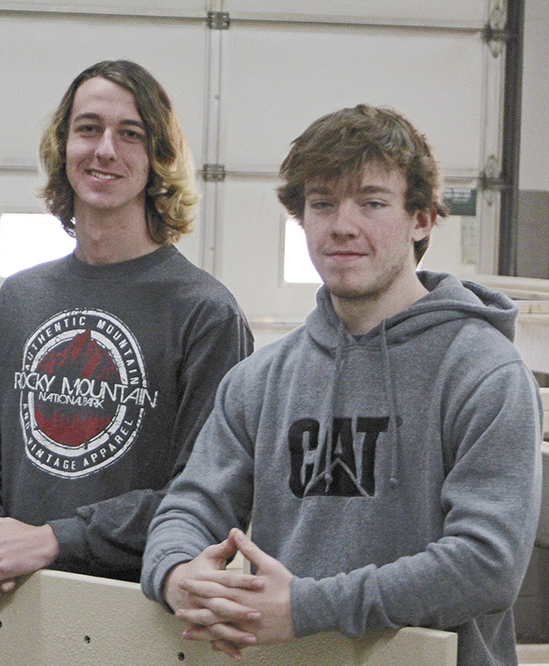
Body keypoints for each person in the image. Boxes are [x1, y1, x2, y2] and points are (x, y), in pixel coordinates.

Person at [141, 104, 543, 665]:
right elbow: (188, 507)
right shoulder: (258, 381)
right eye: (322, 203)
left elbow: (485, 565)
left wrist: (307, 607)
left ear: (423, 219)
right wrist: (176, 571)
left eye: (372, 203)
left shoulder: (484, 373)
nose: (341, 225)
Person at [0, 60, 253, 604]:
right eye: (88, 129)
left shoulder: (206, 314)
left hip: (136, 613)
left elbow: (207, 493)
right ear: (63, 146)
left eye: (130, 134)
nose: (105, 149)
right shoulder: (20, 299)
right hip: (8, 599)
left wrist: (54, 539)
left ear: (159, 159)